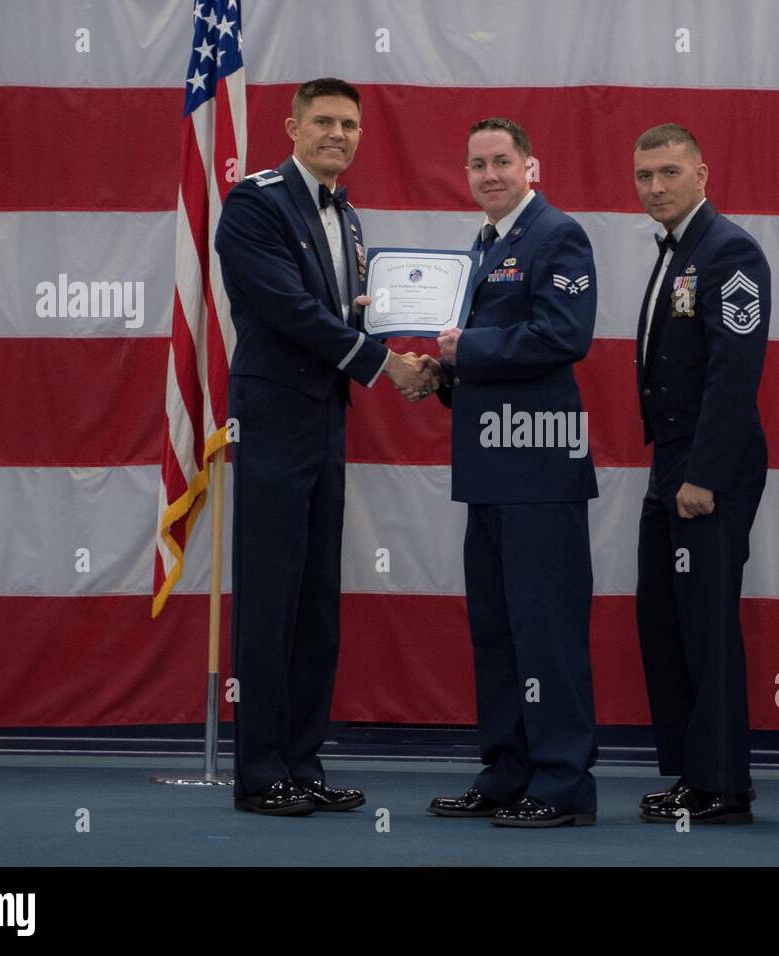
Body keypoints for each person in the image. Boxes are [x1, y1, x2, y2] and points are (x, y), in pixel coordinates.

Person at [215, 78, 433, 816]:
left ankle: (302, 764)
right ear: (292, 126)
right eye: (325, 122)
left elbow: (333, 315)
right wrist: (380, 363)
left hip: (327, 421)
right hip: (275, 415)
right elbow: (284, 307)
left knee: (315, 604)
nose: (338, 134)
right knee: (271, 598)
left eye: (350, 124)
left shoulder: (352, 218)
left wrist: (388, 331)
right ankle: (260, 773)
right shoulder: (255, 200)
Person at [420, 118, 599, 827]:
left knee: (546, 633)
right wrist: (442, 370)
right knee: (497, 634)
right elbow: (487, 355)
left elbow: (565, 335)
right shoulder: (486, 245)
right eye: (477, 164)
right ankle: (507, 770)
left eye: (502, 161)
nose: (489, 174)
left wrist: (469, 347)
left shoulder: (558, 235)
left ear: (532, 166)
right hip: (491, 469)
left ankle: (561, 785)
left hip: (540, 467)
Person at [628, 124, 771, 825]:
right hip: (672, 463)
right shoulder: (677, 249)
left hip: (708, 466)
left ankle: (723, 784)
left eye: (668, 172)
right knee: (666, 621)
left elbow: (734, 371)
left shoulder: (729, 250)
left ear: (702, 173)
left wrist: (704, 474)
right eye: (645, 175)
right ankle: (693, 772)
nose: (655, 186)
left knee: (706, 625)